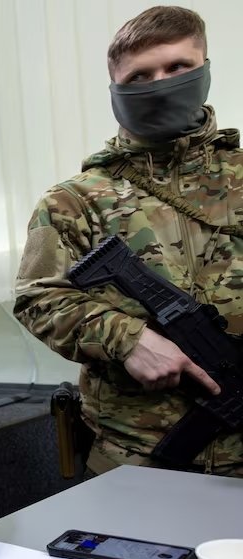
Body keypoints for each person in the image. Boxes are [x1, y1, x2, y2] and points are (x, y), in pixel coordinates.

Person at [14, 5, 242, 477]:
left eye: (178, 67)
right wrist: (127, 339)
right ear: (116, 88)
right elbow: (37, 299)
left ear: (204, 70)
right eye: (140, 75)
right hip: (134, 455)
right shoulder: (74, 199)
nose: (161, 83)